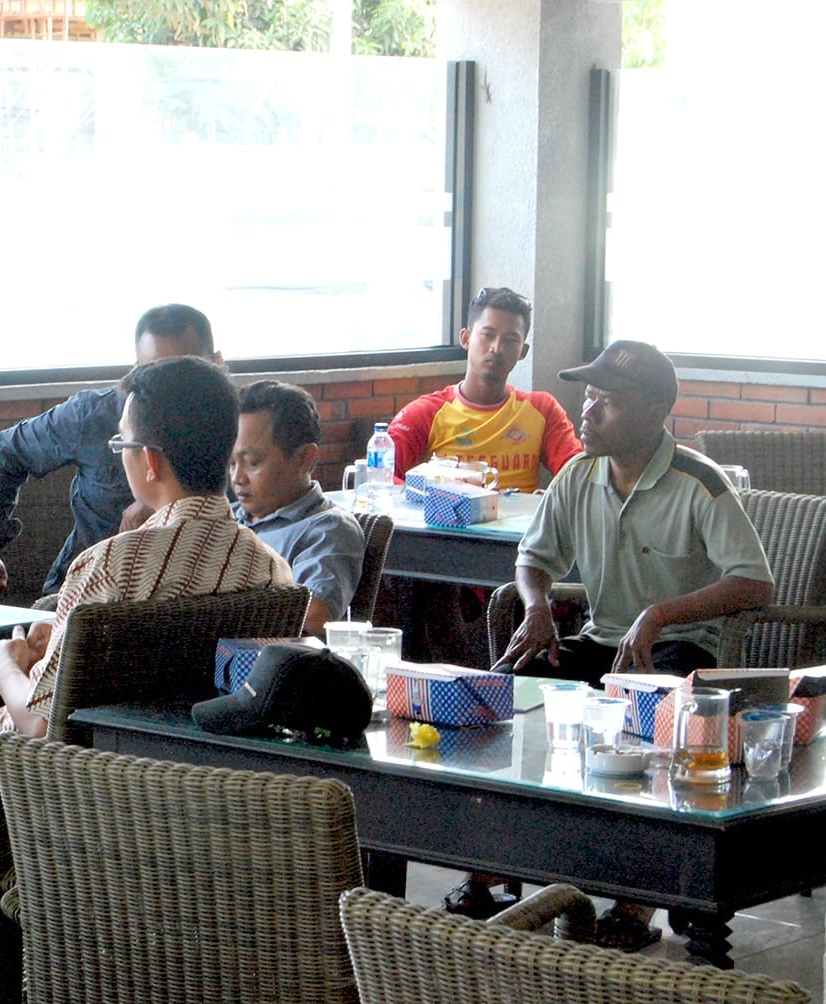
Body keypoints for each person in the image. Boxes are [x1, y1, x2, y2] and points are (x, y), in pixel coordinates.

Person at [474, 340, 773, 949]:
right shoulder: (577, 475)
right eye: (588, 397)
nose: (587, 412)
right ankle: (493, 870)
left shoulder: (699, 483)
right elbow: (533, 559)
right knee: (499, 697)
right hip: (600, 642)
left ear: (656, 410)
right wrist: (537, 608)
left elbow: (755, 583)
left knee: (649, 716)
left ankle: (636, 903)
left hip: (679, 650)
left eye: (607, 401)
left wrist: (660, 614)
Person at [0, 356, 294, 737]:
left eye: (121, 443)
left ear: (150, 460)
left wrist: (6, 666)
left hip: (66, 768)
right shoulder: (272, 569)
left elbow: (40, 726)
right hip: (202, 762)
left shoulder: (110, 566)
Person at [0, 304, 223, 600]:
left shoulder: (238, 426)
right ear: (134, 371)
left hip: (204, 590)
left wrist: (169, 506)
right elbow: (10, 449)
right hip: (85, 592)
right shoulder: (92, 416)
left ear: (216, 365)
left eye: (185, 375)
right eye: (151, 374)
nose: (166, 391)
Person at [388, 286, 581, 493]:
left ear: (523, 351)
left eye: (510, 340)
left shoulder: (542, 409)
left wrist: (553, 500)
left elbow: (579, 476)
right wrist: (428, 498)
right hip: (447, 514)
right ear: (465, 339)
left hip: (525, 516)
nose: (497, 348)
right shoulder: (425, 413)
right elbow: (378, 475)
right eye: (488, 335)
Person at [231, 380, 365, 635]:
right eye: (231, 463)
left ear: (305, 458)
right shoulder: (227, 516)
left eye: (252, 462)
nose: (237, 478)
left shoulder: (326, 529)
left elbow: (314, 617)